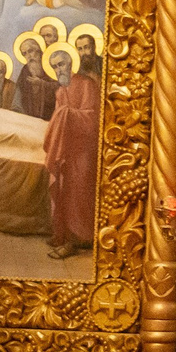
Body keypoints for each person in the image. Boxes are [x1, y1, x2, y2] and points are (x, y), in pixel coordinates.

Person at [44, 44, 102, 259]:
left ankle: (76, 240)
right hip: (65, 149)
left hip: (83, 149)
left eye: (61, 64)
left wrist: (67, 114)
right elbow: (57, 118)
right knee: (63, 191)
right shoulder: (61, 90)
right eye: (54, 66)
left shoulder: (87, 85)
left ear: (71, 64)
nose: (59, 70)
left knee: (77, 194)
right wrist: (63, 115)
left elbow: (92, 117)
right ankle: (63, 235)